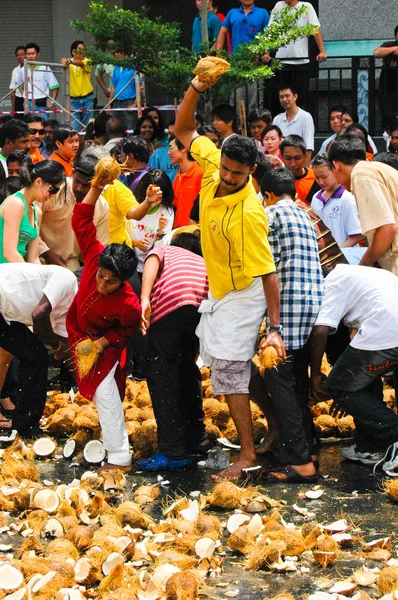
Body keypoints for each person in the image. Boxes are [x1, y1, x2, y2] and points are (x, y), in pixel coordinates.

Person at [175, 70, 285, 481]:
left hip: (246, 293)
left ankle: (247, 454)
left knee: (228, 372)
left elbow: (268, 273)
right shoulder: (210, 163)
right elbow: (184, 127)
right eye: (224, 169)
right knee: (236, 369)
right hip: (219, 290)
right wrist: (196, 88)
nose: (226, 177)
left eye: (236, 174)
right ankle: (278, 428)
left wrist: (273, 328)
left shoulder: (250, 214)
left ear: (251, 171)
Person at [66, 175, 151, 471]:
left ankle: (120, 456)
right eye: (100, 276)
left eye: (110, 282)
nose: (102, 284)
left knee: (104, 390)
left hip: (104, 344)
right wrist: (96, 187)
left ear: (124, 281)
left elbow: (126, 330)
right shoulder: (93, 255)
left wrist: (101, 344)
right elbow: (81, 217)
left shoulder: (130, 303)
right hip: (75, 328)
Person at [259, 167, 323, 482]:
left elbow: (267, 268)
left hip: (288, 306)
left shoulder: (271, 216)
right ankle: (306, 448)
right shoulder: (305, 216)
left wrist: (269, 324)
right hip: (312, 305)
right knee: (294, 378)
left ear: (267, 194)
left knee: (278, 378)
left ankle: (301, 462)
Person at [311, 264, 398, 473]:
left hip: (388, 327)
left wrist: (314, 375)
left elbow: (321, 330)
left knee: (339, 386)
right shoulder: (365, 273)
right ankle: (371, 446)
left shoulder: (331, 282)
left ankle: (392, 434)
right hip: (389, 325)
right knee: (362, 379)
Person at [136, 233, 210, 470]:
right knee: (187, 369)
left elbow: (151, 260)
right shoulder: (203, 262)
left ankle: (172, 452)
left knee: (160, 373)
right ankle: (197, 438)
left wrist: (145, 298)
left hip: (170, 303)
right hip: (200, 308)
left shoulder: (168, 249)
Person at [0, 263, 77, 433]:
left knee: (29, 355)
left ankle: (25, 420)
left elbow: (67, 352)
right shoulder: (67, 279)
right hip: (2, 297)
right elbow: (39, 315)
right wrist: (56, 346)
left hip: (6, 311)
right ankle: (26, 425)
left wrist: (86, 385)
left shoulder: (68, 315)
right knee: (36, 356)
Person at [328, 134, 398, 275]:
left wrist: (365, 263)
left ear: (336, 165)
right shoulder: (374, 168)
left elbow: (387, 228)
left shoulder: (361, 174)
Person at [37, 152, 110, 271]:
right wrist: (44, 252)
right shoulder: (53, 190)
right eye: (77, 181)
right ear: (72, 173)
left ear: (97, 184)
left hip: (71, 265)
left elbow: (99, 247)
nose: (79, 189)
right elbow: (29, 226)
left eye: (87, 185)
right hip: (39, 260)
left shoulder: (102, 206)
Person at [0, 160, 65, 264]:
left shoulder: (37, 212)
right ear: (38, 181)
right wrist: (28, 277)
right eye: (53, 190)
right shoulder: (15, 204)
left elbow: (33, 258)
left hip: (16, 272)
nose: (53, 195)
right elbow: (9, 252)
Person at [266, 0, 326, 110]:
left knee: (300, 97)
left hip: (301, 61)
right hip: (281, 61)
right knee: (282, 97)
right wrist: (266, 51)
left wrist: (322, 51)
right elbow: (271, 31)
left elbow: (315, 30)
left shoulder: (306, 7)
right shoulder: (279, 6)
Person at [215, 0, 270, 113]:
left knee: (254, 102)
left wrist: (266, 52)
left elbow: (269, 35)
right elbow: (222, 32)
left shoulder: (262, 13)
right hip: (237, 65)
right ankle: (239, 129)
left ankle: (253, 129)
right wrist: (219, 53)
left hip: (256, 65)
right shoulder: (232, 13)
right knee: (236, 101)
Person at [127, 169, 175, 275]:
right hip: (128, 262)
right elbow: (119, 234)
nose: (154, 197)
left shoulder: (166, 212)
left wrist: (160, 232)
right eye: (151, 191)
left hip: (150, 267)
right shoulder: (131, 204)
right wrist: (134, 243)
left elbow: (161, 249)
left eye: (159, 194)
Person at [311, 153, 362, 249]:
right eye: (317, 177)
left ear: (334, 171)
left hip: (344, 258)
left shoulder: (347, 199)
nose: (321, 181)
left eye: (324, 177)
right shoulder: (316, 198)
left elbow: (356, 235)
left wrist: (337, 254)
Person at [273, 85, 314, 165]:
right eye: (281, 97)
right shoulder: (277, 119)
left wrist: (304, 172)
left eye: (287, 96)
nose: (284, 99)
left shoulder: (306, 117)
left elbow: (308, 149)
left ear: (295, 96)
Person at [169, 134, 204, 228]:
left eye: (171, 148)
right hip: (177, 231)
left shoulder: (200, 173)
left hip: (193, 233)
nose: (169, 152)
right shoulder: (178, 175)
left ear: (183, 148)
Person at [61, 41, 94, 132]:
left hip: (87, 98)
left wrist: (69, 61)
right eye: (80, 50)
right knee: (75, 129)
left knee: (88, 127)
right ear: (73, 52)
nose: (83, 52)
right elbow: (63, 63)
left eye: (84, 50)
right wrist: (64, 60)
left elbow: (81, 63)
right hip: (74, 101)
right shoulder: (69, 64)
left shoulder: (88, 61)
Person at [17, 43, 59, 113]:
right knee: (28, 123)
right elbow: (20, 86)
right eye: (28, 54)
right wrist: (26, 96)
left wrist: (52, 102)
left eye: (32, 53)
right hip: (28, 104)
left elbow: (55, 86)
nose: (30, 56)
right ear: (26, 56)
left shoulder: (45, 68)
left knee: (42, 123)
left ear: (38, 55)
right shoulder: (22, 70)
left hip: (41, 102)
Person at [280, 134, 319, 203]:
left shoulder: (316, 177)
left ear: (305, 155)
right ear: (282, 157)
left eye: (297, 158)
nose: (293, 164)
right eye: (288, 158)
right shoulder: (276, 180)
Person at [108, 51, 141, 131]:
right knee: (112, 127)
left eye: (118, 52)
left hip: (128, 102)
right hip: (116, 103)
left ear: (125, 54)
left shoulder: (133, 67)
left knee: (129, 128)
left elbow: (139, 86)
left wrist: (135, 104)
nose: (115, 54)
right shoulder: (116, 67)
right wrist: (109, 104)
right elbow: (113, 87)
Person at [374, 26, 398, 129]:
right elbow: (377, 53)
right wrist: (395, 49)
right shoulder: (390, 44)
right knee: (389, 119)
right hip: (388, 89)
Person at [9, 46, 25, 116]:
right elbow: (13, 91)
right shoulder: (15, 71)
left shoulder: (32, 69)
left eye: (22, 54)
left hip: (31, 100)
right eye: (18, 55)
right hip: (19, 100)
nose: (20, 57)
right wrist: (13, 108)